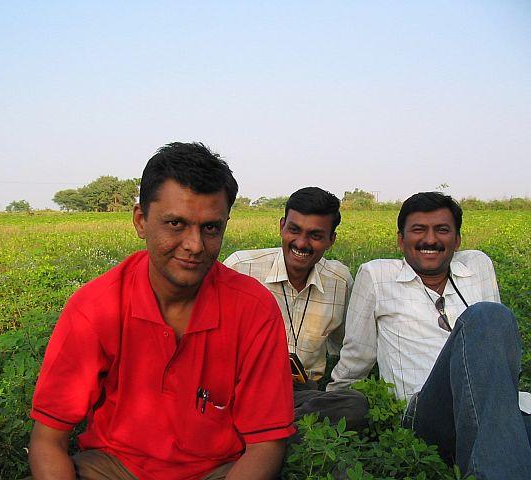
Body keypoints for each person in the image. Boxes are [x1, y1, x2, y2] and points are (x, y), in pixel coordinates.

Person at [28, 142, 295, 480]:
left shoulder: (253, 310)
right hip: (115, 467)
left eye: (211, 227)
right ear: (141, 221)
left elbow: (266, 444)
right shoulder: (95, 307)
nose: (194, 245)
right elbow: (48, 438)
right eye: (175, 224)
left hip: (216, 470)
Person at [328, 191, 531, 479]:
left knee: (517, 426)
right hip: (425, 413)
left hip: (493, 404)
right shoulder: (377, 276)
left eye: (442, 230)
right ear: (401, 239)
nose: (430, 240)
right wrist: (335, 409)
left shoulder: (478, 266)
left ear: (457, 240)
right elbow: (357, 357)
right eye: (419, 230)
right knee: (487, 315)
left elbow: (496, 351)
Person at [224, 187, 368, 431]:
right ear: (282, 226)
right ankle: (280, 433)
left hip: (299, 394)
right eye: (294, 230)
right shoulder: (241, 267)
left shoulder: (339, 281)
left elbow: (346, 346)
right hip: (243, 385)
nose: (301, 243)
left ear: (331, 240)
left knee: (355, 405)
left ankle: (260, 432)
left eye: (315, 235)